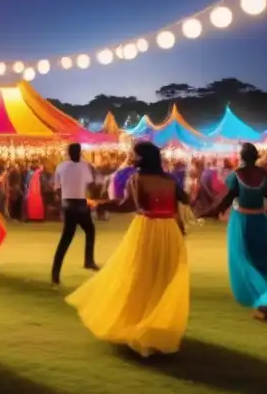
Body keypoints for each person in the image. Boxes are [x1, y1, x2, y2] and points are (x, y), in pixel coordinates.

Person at [66, 142, 190, 356]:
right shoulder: (169, 179)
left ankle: (139, 324)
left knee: (140, 276)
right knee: (162, 278)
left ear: (142, 157)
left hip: (147, 229)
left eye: (134, 154)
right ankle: (154, 325)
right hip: (169, 231)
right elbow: (185, 199)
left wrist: (99, 203)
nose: (131, 157)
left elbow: (128, 205)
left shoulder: (137, 179)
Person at [196, 143, 267, 321]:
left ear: (241, 157)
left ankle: (264, 302)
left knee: (246, 263)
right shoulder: (263, 175)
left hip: (242, 222)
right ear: (255, 157)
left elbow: (224, 200)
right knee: (264, 259)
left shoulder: (237, 175)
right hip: (261, 221)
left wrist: (207, 212)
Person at [51, 143, 100, 285]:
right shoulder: (85, 166)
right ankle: (88, 260)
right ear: (80, 152)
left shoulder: (61, 166)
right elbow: (91, 183)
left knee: (67, 239)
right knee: (88, 230)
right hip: (80, 204)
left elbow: (57, 187)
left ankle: (56, 273)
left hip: (69, 204)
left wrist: (62, 200)